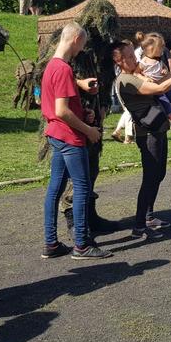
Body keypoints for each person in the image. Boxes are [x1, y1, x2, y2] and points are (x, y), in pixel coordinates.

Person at [112, 41, 171, 239]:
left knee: (158, 174)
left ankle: (148, 217)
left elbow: (161, 81)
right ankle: (139, 226)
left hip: (157, 130)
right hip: (148, 134)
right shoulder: (126, 80)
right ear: (119, 62)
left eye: (133, 55)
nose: (134, 58)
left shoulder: (135, 74)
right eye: (129, 56)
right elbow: (160, 89)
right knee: (150, 178)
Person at [40, 22, 111, 260]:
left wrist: (83, 113)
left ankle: (51, 243)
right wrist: (88, 129)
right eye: (82, 44)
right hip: (69, 137)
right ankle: (81, 244)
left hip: (56, 135)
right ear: (75, 40)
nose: (82, 49)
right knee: (82, 187)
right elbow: (61, 110)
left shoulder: (52, 66)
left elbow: (55, 106)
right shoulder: (63, 69)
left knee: (55, 188)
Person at [138, 34, 171, 133]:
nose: (162, 50)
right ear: (152, 49)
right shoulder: (144, 62)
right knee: (165, 102)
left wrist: (165, 71)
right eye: (160, 48)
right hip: (155, 88)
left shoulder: (158, 61)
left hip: (163, 85)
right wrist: (145, 78)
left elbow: (165, 68)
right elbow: (136, 73)